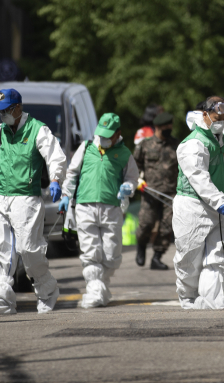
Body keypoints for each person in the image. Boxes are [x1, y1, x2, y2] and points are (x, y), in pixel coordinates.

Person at [0, 88, 66, 315]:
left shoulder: (38, 130)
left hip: (27, 199)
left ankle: (47, 289)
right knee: (1, 248)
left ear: (18, 107)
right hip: (2, 197)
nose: (2, 116)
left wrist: (56, 179)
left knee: (28, 249)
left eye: (6, 111)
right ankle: (2, 299)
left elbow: (55, 156)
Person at [173, 96, 224, 309]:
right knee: (189, 258)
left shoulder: (219, 140)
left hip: (217, 207)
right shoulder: (194, 143)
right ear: (204, 115)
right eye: (217, 115)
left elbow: (223, 174)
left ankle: (210, 300)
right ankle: (187, 298)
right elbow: (199, 177)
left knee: (216, 258)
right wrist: (220, 200)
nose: (221, 119)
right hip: (193, 207)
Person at [59, 113, 139, 308]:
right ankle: (94, 289)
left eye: (107, 135)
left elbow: (132, 178)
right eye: (100, 134)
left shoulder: (125, 154)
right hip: (85, 207)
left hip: (112, 208)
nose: (103, 139)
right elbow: (72, 173)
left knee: (112, 255)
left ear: (117, 133)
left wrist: (128, 187)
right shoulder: (86, 148)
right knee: (91, 252)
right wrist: (66, 195)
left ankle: (100, 286)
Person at [133, 112, 179, 270]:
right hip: (150, 192)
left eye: (170, 126)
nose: (169, 128)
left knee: (167, 226)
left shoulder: (176, 145)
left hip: (170, 194)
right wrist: (138, 180)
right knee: (146, 224)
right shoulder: (145, 145)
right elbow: (134, 165)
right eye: (166, 126)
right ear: (158, 127)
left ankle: (157, 257)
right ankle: (141, 246)